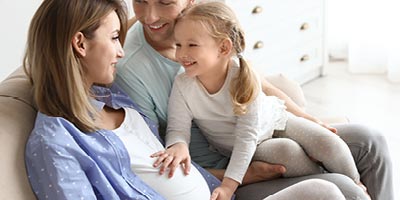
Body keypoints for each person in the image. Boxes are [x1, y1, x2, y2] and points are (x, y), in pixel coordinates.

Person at [22, 0, 349, 199]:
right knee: (330, 191)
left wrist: (240, 177)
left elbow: (167, 167)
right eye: (112, 38)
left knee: (339, 182)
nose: (121, 51)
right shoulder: (55, 144)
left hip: (219, 188)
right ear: (80, 43)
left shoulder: (111, 95)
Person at [115, 0, 393, 200]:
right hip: (224, 172)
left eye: (165, 2)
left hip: (261, 136)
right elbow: (155, 150)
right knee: (343, 188)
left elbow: (252, 81)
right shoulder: (134, 68)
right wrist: (240, 177)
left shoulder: (206, 24)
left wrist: (307, 119)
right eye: (139, 1)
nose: (150, 15)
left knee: (369, 140)